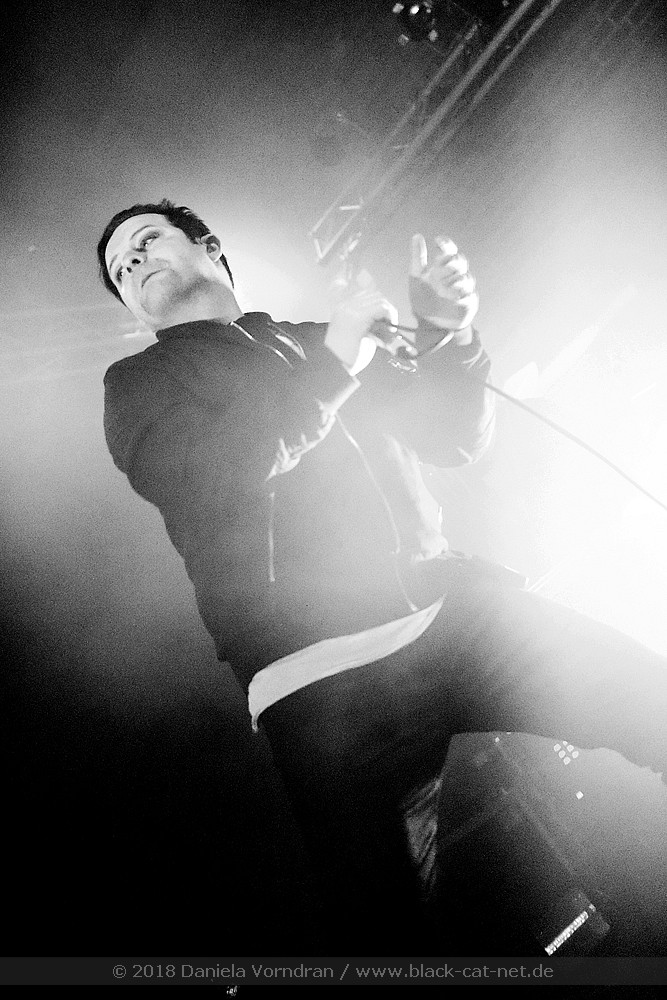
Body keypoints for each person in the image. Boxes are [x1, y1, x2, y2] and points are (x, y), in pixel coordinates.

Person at [99, 199, 667, 953]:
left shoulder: (316, 338)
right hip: (320, 683)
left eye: (145, 241)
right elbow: (213, 477)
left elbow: (452, 437)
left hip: (444, 615)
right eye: (121, 270)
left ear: (210, 248)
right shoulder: (137, 384)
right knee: (385, 940)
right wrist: (335, 365)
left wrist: (448, 334)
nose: (134, 263)